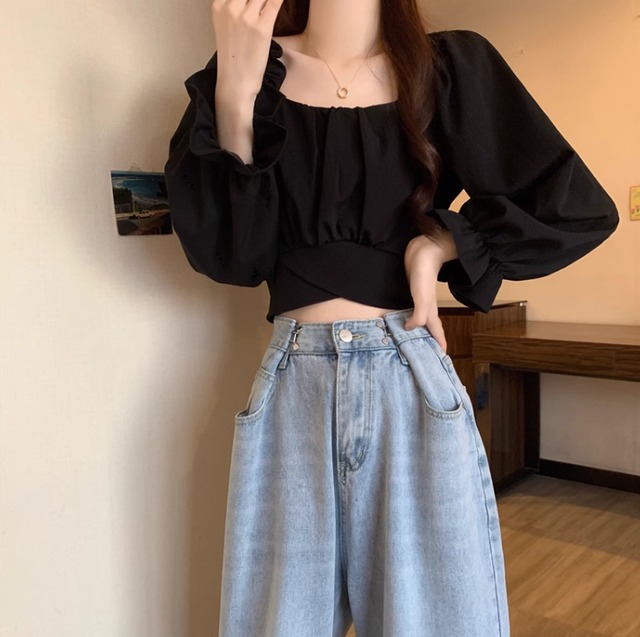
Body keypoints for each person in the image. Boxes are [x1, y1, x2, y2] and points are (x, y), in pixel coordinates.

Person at [164, 1, 619, 635]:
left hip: (409, 376)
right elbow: (234, 255)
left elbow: (577, 209)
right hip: (293, 386)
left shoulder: (447, 68)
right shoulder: (250, 67)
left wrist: (441, 243)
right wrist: (237, 96)